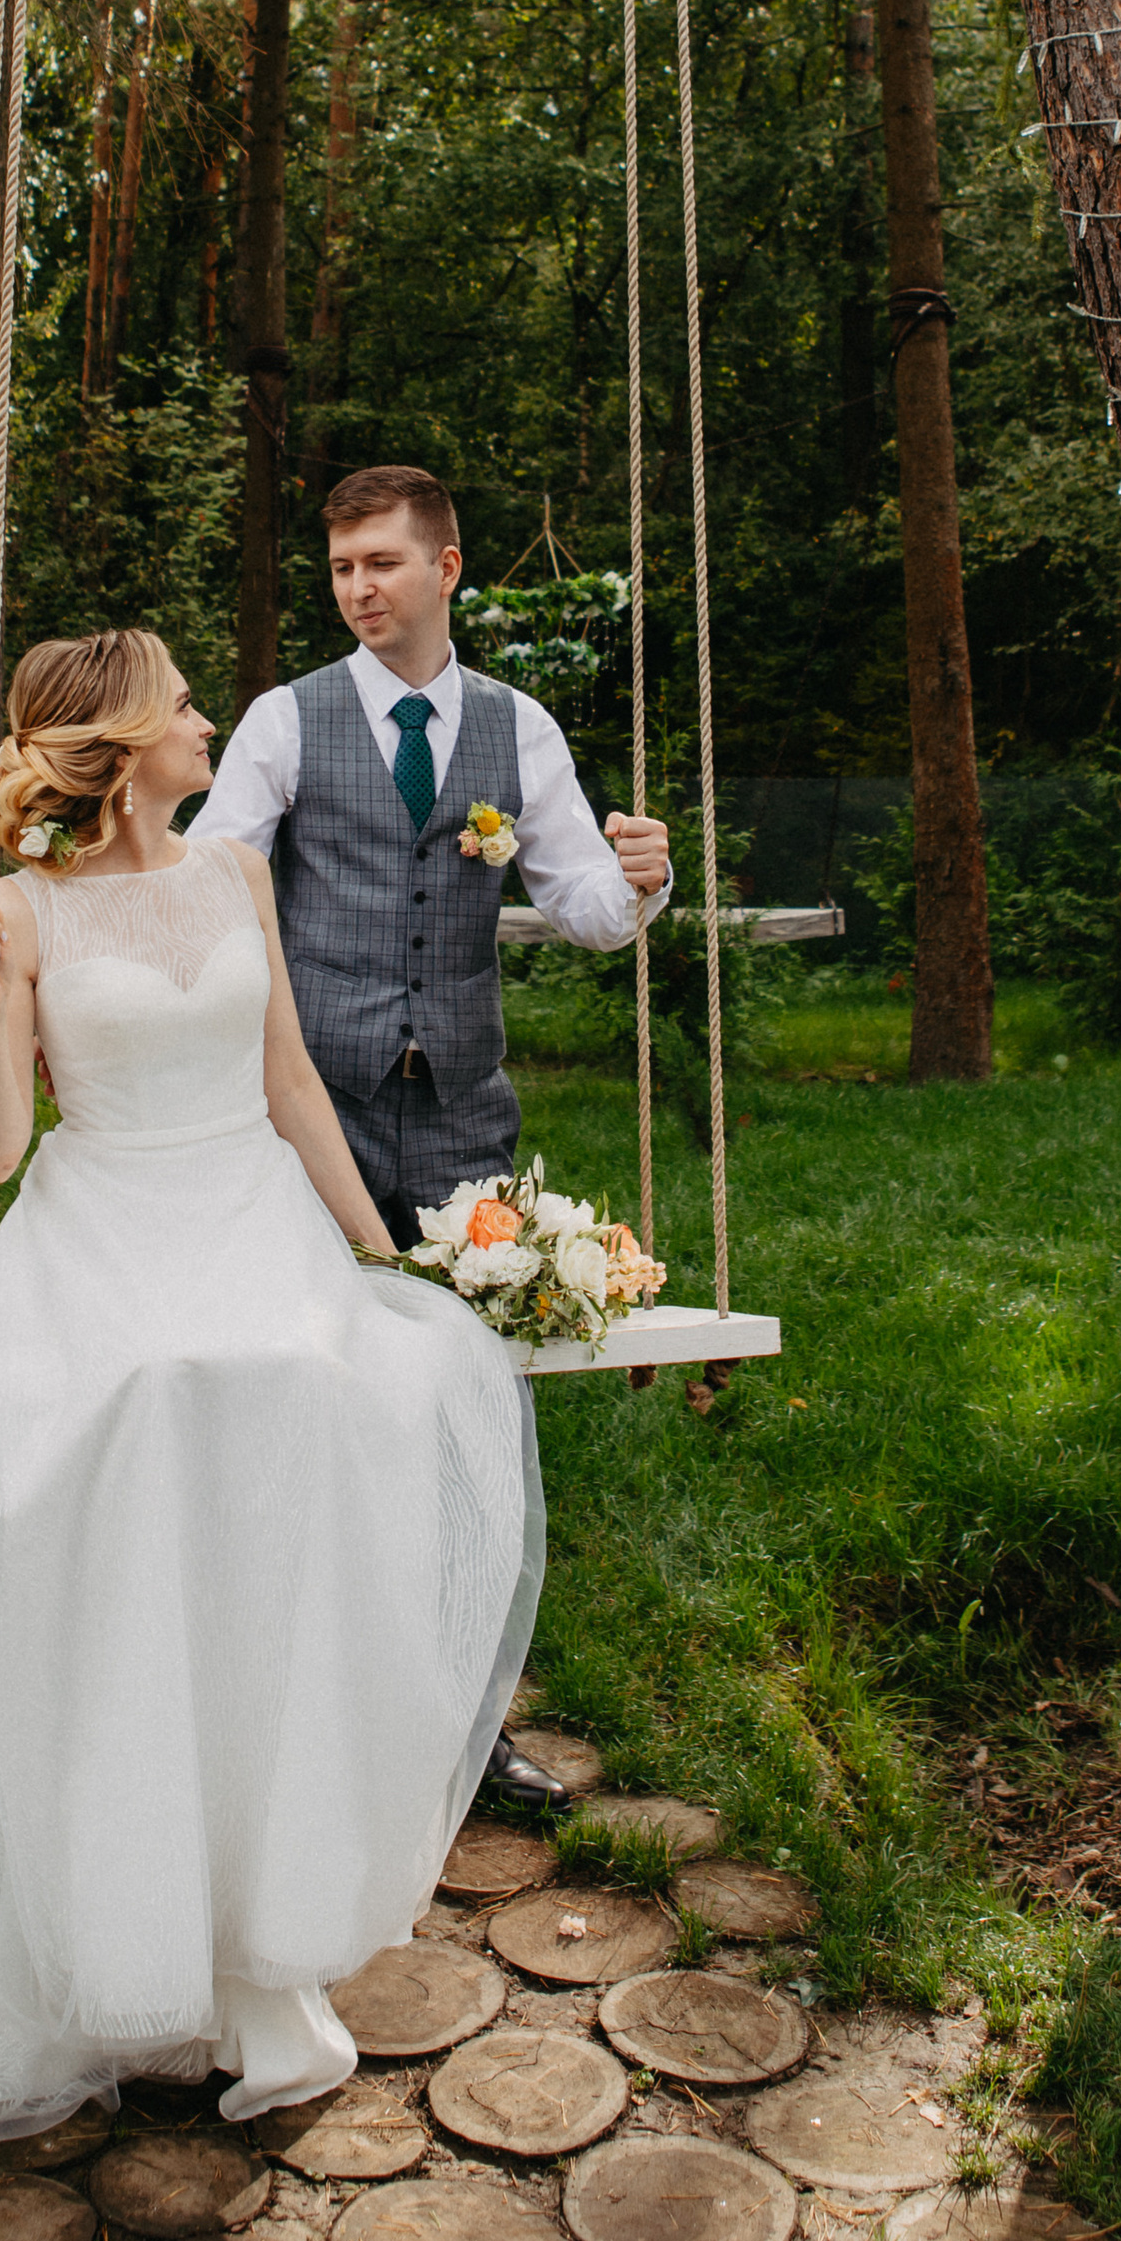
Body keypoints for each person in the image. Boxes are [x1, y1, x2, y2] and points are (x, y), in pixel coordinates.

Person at [0, 628, 545, 2145]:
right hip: (103, 1223)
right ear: (120, 744)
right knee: (156, 1417)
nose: (207, 722)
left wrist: (392, 1262)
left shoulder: (237, 875)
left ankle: (269, 1943)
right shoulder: (23, 902)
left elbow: (292, 1086)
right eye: (184, 706)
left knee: (317, 1396)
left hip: (250, 1214)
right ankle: (143, 1927)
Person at [196, 460, 671, 1816]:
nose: (359, 589)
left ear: (445, 571)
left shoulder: (518, 734)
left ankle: (472, 1731)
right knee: (307, 1412)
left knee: (470, 1431)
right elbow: (216, 884)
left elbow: (585, 907)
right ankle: (301, 1721)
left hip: (464, 1123)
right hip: (309, 1125)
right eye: (343, 568)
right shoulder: (284, 724)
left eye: (383, 565)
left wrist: (647, 878)